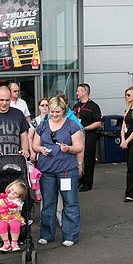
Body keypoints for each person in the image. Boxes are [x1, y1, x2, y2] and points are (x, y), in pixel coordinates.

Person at [33, 96, 84, 247]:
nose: (54, 114)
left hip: (67, 170)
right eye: (52, 111)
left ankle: (70, 235)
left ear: (64, 110)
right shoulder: (43, 125)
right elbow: (35, 144)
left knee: (70, 203)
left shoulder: (72, 124)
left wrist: (68, 148)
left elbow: (79, 146)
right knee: (48, 203)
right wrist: (41, 149)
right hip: (46, 171)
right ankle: (46, 235)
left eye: (58, 111)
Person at [73, 83, 102, 192]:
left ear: (84, 92)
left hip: (89, 136)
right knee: (77, 159)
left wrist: (85, 128)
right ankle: (80, 179)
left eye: (78, 91)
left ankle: (88, 183)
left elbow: (98, 122)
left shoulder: (93, 106)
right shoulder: (76, 106)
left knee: (89, 160)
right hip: (77, 137)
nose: (77, 93)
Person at [0, 180, 29, 252]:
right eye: (12, 189)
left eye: (15, 193)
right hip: (4, 219)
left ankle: (14, 243)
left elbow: (14, 210)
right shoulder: (0, 199)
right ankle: (6, 243)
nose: (12, 193)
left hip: (15, 219)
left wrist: (8, 209)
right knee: (0, 224)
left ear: (19, 196)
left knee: (14, 224)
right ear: (8, 187)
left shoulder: (17, 201)